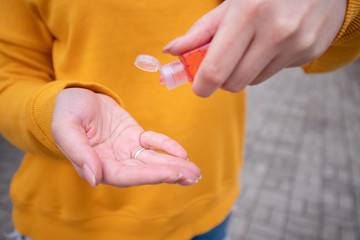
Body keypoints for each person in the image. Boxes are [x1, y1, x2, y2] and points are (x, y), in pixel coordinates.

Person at [0, 0, 359, 239]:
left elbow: (325, 50)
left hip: (204, 211)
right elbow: (9, 76)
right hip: (63, 221)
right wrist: (50, 109)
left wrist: (339, 9)